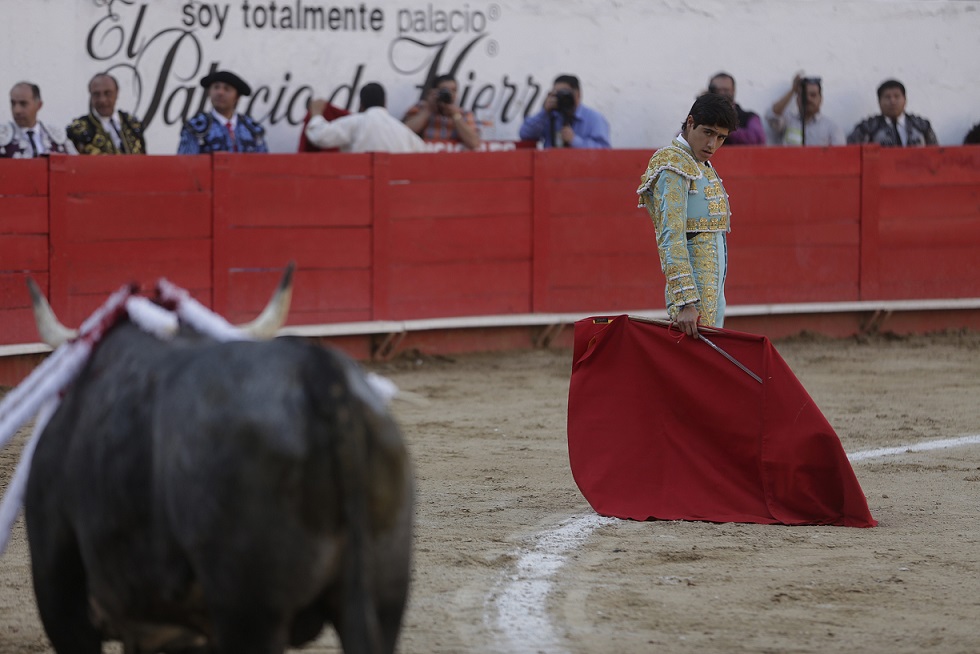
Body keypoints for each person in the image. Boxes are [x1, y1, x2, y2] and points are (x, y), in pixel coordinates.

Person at [635, 93, 738, 336]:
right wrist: (685, 302)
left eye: (721, 137)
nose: (712, 144)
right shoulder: (673, 165)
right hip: (694, 298)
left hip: (712, 288)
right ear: (690, 122)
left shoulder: (698, 163)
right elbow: (671, 237)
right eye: (708, 132)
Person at [305, 82, 427, 153]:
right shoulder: (403, 131)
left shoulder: (356, 122)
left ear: (361, 105)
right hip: (394, 190)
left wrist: (316, 113)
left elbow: (320, 136)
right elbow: (424, 153)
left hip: (360, 189)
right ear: (385, 103)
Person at [177, 70, 267, 154]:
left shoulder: (251, 128)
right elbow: (186, 165)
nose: (220, 92)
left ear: (237, 97)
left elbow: (264, 164)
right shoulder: (196, 126)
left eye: (227, 89)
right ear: (209, 92)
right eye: (216, 87)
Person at [519, 74, 610, 148]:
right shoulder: (551, 115)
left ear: (578, 94)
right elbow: (525, 135)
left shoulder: (594, 118)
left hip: (583, 168)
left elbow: (604, 151)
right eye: (558, 93)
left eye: (565, 93)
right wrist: (544, 112)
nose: (562, 98)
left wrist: (574, 140)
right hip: (551, 166)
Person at [67, 73, 146, 155]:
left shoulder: (133, 124)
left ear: (117, 93)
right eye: (96, 94)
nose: (102, 100)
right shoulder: (79, 129)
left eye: (108, 93)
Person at [847, 79, 938, 147]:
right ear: (879, 102)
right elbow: (851, 155)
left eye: (897, 96)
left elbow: (936, 154)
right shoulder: (867, 127)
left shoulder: (921, 126)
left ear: (905, 100)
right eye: (887, 97)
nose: (892, 101)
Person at [402, 74, 481, 150]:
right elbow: (403, 134)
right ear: (434, 91)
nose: (450, 94)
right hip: (426, 159)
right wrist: (428, 110)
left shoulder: (465, 114)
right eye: (445, 90)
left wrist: (455, 115)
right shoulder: (420, 108)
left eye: (453, 90)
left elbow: (474, 143)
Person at [766, 73, 845, 146]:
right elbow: (772, 115)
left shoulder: (832, 128)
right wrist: (793, 90)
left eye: (813, 95)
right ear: (797, 99)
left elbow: (840, 157)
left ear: (820, 99)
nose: (808, 99)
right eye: (803, 95)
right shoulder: (788, 121)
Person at [1, 82, 74, 158]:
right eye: (13, 104)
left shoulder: (56, 136)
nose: (17, 110)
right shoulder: (2, 136)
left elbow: (76, 166)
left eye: (23, 104)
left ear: (39, 105)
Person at [707, 72, 766, 145]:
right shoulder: (704, 115)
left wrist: (727, 129)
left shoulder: (750, 117)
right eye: (717, 90)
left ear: (733, 91)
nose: (721, 93)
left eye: (726, 90)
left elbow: (758, 139)